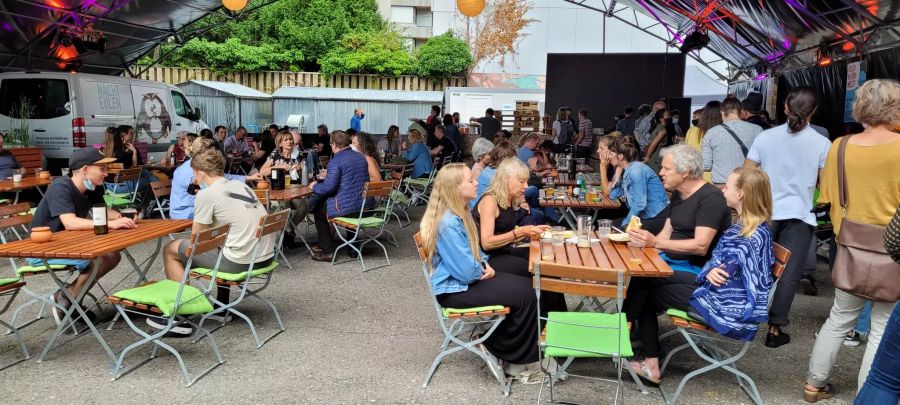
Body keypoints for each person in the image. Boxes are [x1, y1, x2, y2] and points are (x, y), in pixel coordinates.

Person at [626, 167, 775, 382]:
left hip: (725, 303)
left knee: (647, 293)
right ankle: (623, 332)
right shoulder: (744, 226)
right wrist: (712, 270)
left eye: (728, 186)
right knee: (648, 276)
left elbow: (736, 274)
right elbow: (717, 262)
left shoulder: (754, 235)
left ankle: (646, 360)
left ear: (741, 194)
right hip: (714, 289)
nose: (723, 188)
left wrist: (716, 270)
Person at [804, 79, 900, 401]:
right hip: (894, 250)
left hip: (849, 244)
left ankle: (813, 384)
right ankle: (867, 393)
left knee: (839, 317)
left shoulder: (839, 146)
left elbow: (827, 198)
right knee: (882, 327)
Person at [420, 163, 543, 381]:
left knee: (527, 287)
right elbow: (467, 271)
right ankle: (507, 353)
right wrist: (483, 269)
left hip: (464, 281)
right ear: (456, 188)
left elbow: (475, 253)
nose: (477, 182)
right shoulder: (449, 222)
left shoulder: (460, 211)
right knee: (526, 293)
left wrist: (484, 266)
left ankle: (511, 352)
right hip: (455, 291)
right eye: (470, 180)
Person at [152, 147, 276, 335]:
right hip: (263, 257)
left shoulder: (206, 195)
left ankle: (179, 317)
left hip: (239, 262)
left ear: (201, 172)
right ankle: (223, 307)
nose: (194, 179)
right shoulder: (241, 186)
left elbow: (196, 242)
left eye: (194, 174)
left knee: (171, 249)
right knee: (222, 243)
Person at [743, 86, 832, 348]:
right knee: (789, 274)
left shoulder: (765, 137)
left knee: (756, 266)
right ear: (814, 112)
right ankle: (774, 329)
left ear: (784, 108)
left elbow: (747, 175)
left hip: (764, 213)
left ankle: (744, 317)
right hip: (801, 216)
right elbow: (824, 190)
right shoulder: (822, 143)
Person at [30, 148, 136, 323]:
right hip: (44, 249)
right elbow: (70, 222)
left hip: (72, 244)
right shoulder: (61, 186)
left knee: (113, 255)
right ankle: (69, 299)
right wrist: (111, 224)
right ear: (86, 169)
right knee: (100, 258)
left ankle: (68, 297)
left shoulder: (92, 187)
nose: (106, 173)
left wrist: (121, 217)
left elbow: (102, 211)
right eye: (102, 169)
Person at [629, 144, 732, 272]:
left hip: (698, 270)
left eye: (667, 169)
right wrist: (641, 247)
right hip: (671, 261)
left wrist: (655, 242)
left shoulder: (711, 198)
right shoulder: (678, 193)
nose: (661, 173)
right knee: (636, 270)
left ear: (685, 172)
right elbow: (665, 234)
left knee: (646, 280)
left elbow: (701, 246)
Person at [854, 206, 900, 404]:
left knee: (885, 381)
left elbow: (894, 240)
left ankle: (814, 382)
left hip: (854, 243)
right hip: (883, 267)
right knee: (879, 325)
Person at [473, 159, 549, 275]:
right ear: (505, 180)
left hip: (503, 250)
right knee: (539, 269)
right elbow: (487, 243)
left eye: (526, 182)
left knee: (546, 259)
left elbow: (504, 234)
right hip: (488, 259)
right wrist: (521, 231)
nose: (526, 186)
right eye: (522, 182)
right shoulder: (490, 200)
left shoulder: (511, 199)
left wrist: (530, 232)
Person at [309, 130, 371, 262]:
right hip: (363, 205)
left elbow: (328, 188)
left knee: (319, 212)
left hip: (346, 208)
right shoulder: (360, 156)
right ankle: (352, 248)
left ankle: (327, 251)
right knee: (350, 202)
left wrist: (314, 186)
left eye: (331, 143)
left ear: (334, 145)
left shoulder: (335, 161)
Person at [169, 137, 260, 220]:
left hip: (198, 207)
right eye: (212, 151)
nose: (215, 154)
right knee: (228, 212)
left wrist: (250, 177)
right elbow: (208, 194)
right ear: (203, 153)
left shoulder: (202, 165)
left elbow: (223, 177)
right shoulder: (193, 171)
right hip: (185, 211)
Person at [607, 139, 669, 235]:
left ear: (620, 156)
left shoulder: (636, 171)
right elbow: (613, 195)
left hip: (658, 217)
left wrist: (626, 225)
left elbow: (640, 204)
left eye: (610, 153)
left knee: (618, 229)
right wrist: (617, 174)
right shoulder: (626, 170)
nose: (608, 156)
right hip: (645, 216)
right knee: (613, 226)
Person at [701, 97, 763, 186]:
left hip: (723, 185)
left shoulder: (711, 133)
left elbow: (706, 165)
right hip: (749, 184)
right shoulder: (757, 130)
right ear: (741, 112)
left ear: (722, 112)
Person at [471, 141, 518, 209]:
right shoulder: (479, 170)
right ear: (481, 156)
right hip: (481, 208)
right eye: (489, 154)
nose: (491, 157)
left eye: (492, 154)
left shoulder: (488, 168)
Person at [643, 109, 673, 173]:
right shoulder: (663, 130)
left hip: (655, 155)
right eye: (667, 115)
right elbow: (653, 144)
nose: (669, 117)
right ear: (661, 119)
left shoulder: (657, 127)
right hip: (657, 157)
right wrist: (647, 157)